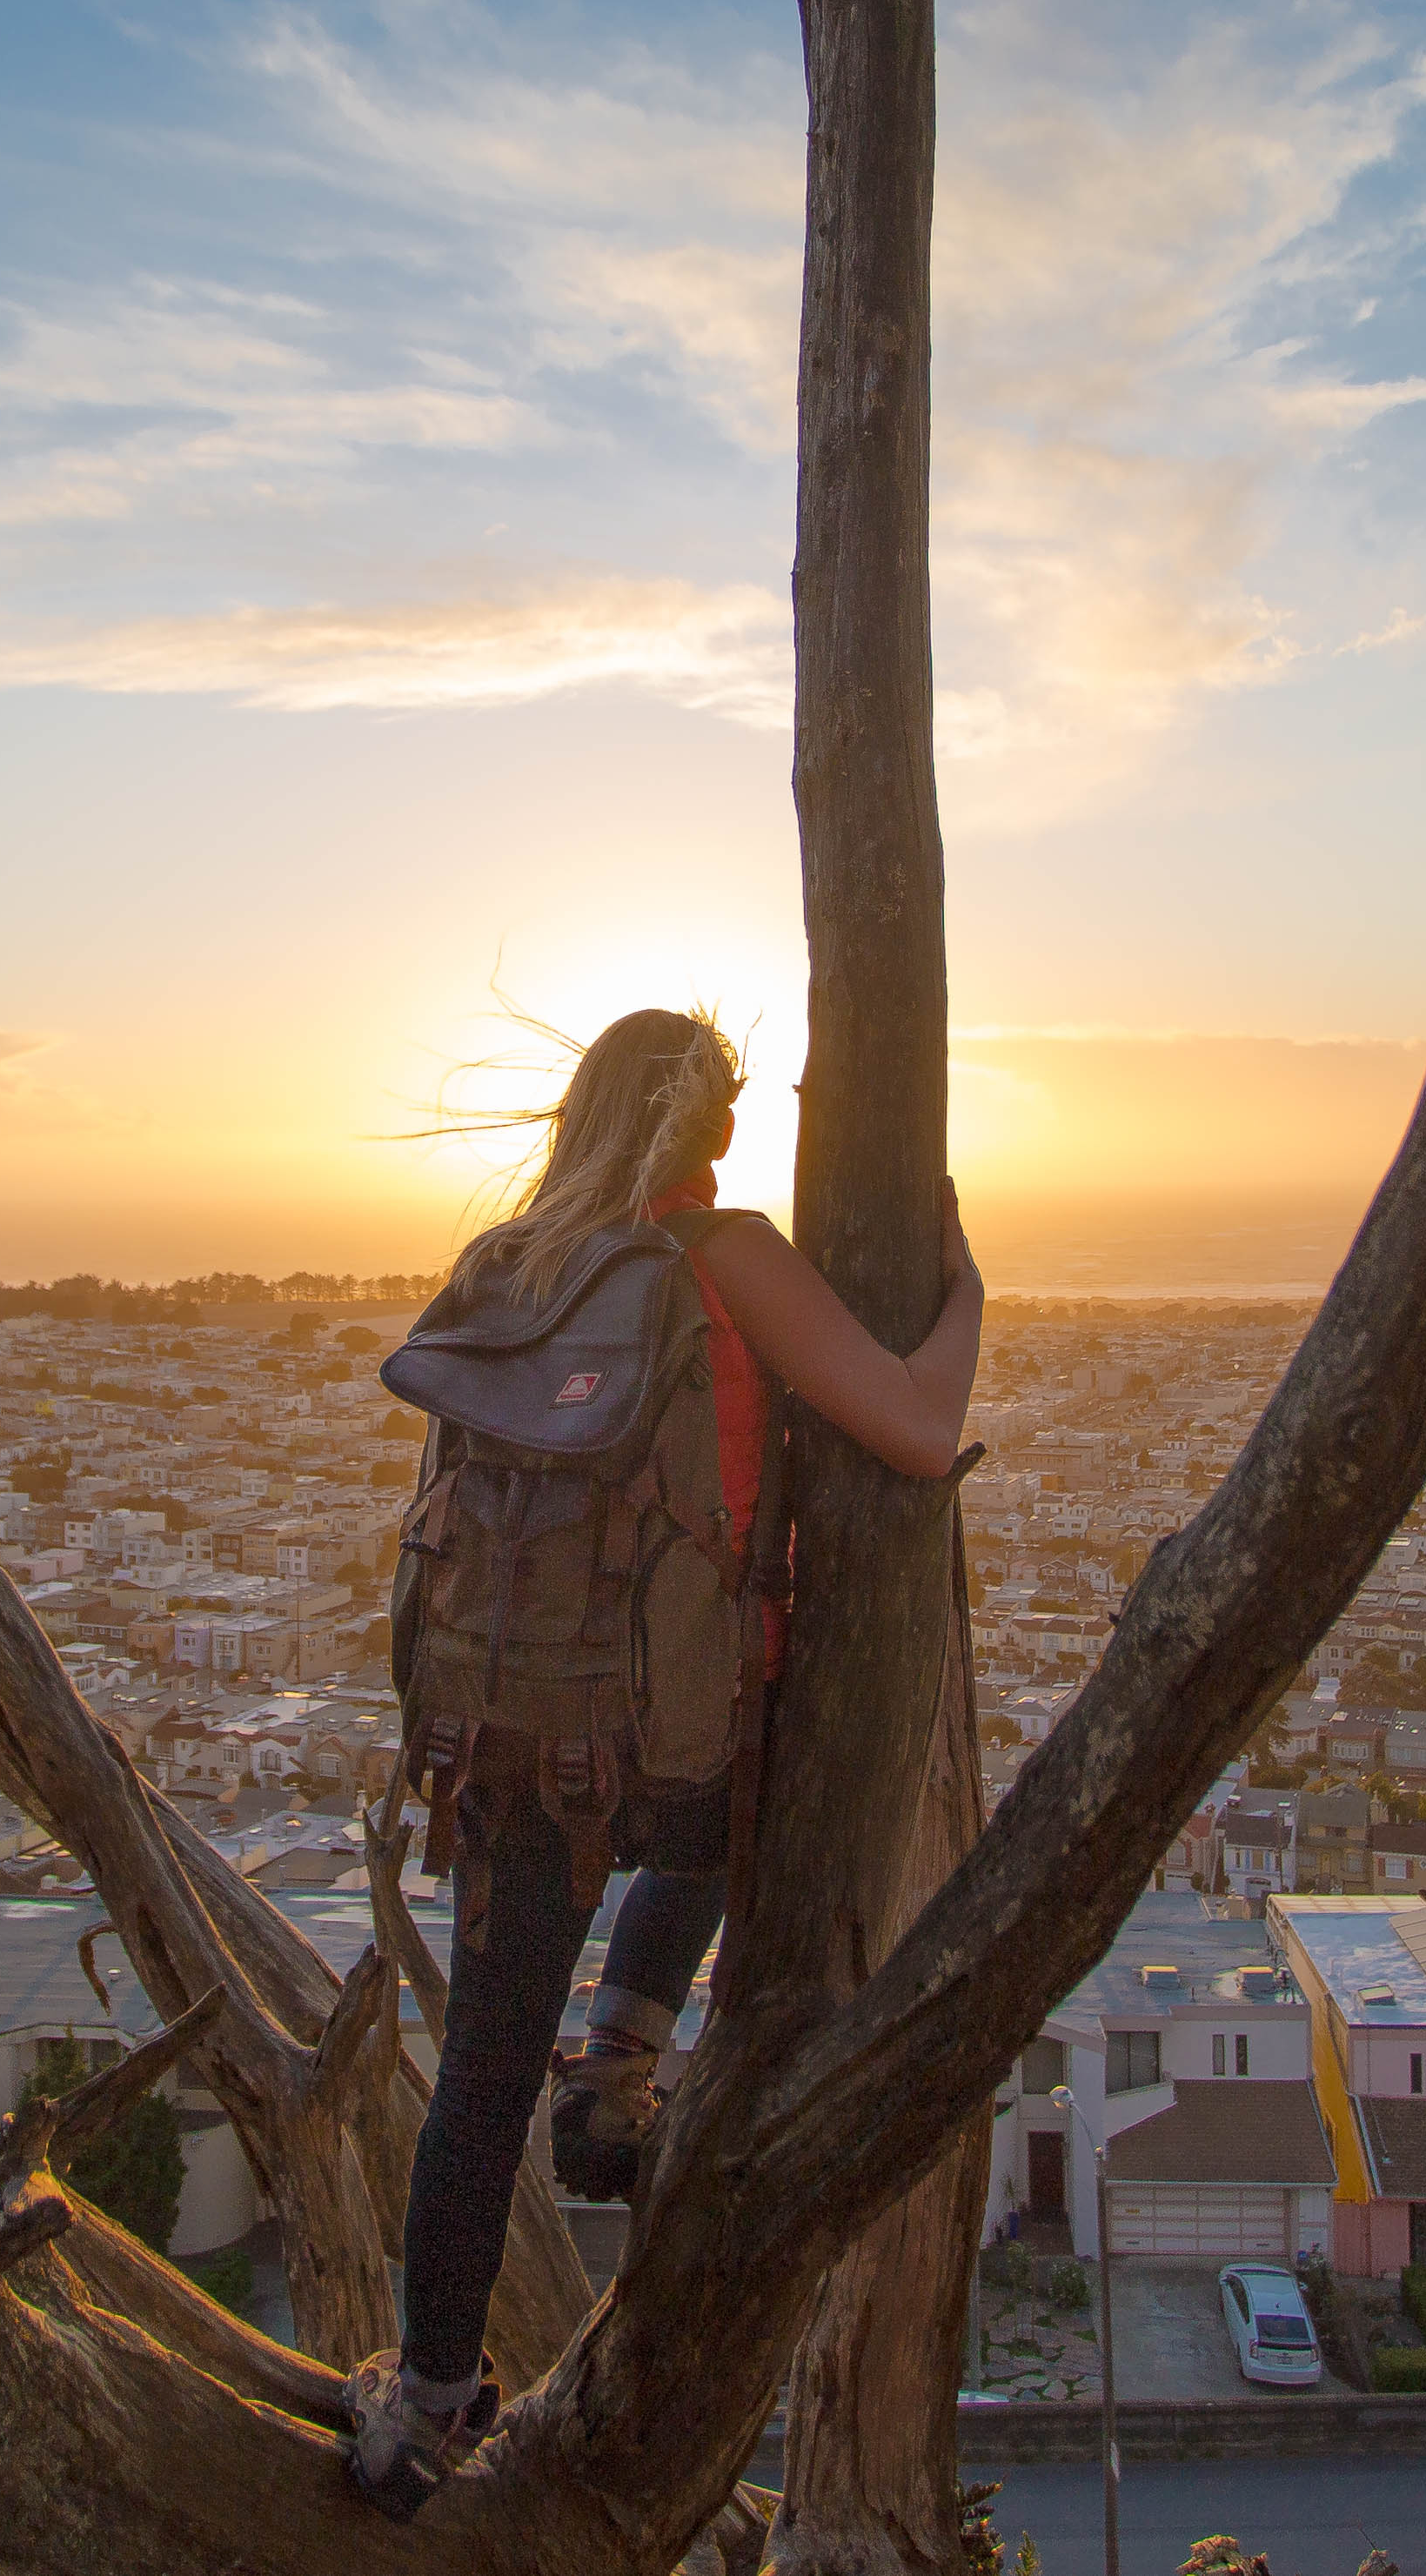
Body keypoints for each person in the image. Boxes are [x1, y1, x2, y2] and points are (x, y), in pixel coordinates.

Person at [347, 1007, 981, 2514]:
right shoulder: (727, 1254)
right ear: (715, 1130)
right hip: (680, 1738)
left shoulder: (505, 1264)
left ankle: (422, 2404)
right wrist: (967, 1291)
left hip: (498, 1735)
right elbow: (916, 1424)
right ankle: (622, 2064)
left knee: (479, 2074)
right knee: (713, 1832)